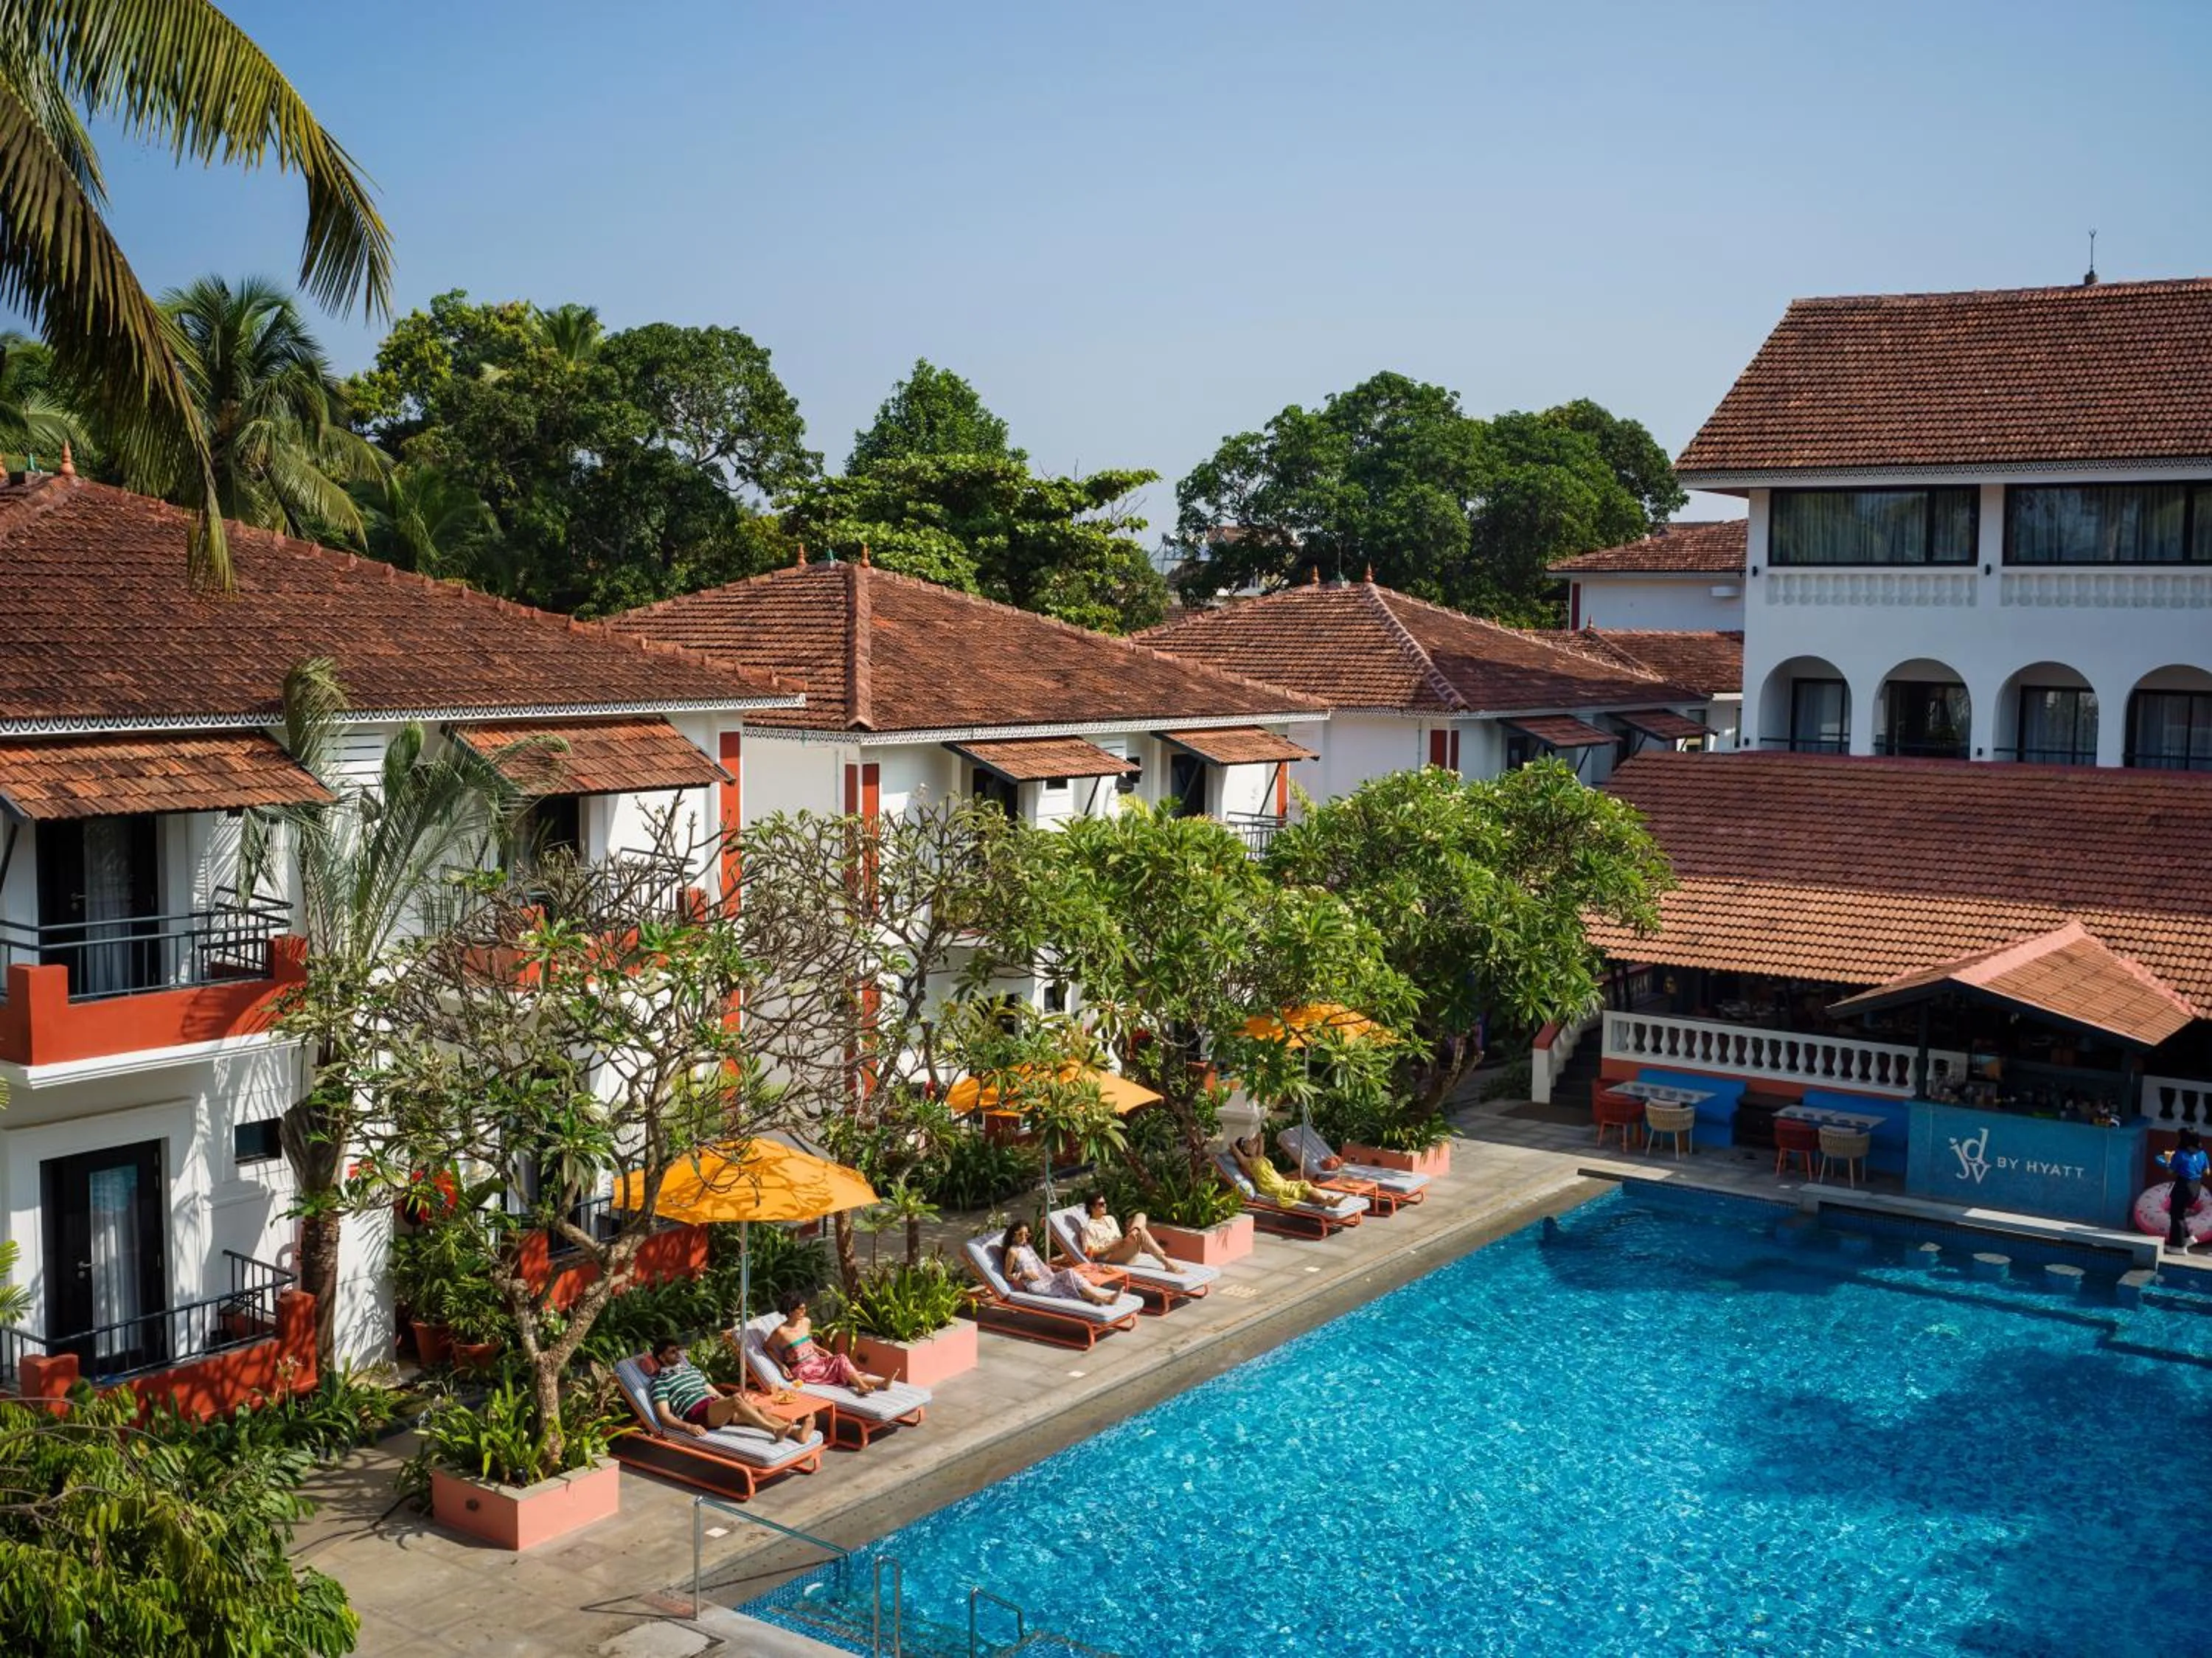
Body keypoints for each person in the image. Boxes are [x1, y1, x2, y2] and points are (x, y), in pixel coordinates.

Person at [646, 1336, 808, 1442]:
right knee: (736, 1399)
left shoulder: (691, 1370)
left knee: (758, 1410)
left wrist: (734, 1404)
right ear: (661, 1358)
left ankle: (796, 1433)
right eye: (673, 1352)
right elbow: (664, 1416)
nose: (679, 1354)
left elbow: (714, 1393)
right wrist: (688, 1427)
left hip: (713, 1408)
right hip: (697, 1414)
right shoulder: (660, 1382)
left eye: (678, 1350)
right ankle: (775, 1430)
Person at [768, 1291, 887, 1393]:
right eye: (801, 1309)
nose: (805, 1311)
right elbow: (767, 1348)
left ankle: (878, 1383)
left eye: (805, 1308)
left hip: (817, 1361)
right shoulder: (781, 1332)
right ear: (790, 1311)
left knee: (841, 1359)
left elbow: (808, 1343)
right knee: (841, 1368)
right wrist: (782, 1366)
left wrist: (823, 1350)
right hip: (803, 1370)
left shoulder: (806, 1322)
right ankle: (872, 1384)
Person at [1000, 1219, 1120, 1305]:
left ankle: (1098, 1298)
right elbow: (1007, 1275)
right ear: (1013, 1235)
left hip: (1047, 1278)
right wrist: (1023, 1274)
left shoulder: (1027, 1247)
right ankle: (1103, 1299)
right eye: (1020, 1234)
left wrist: (1051, 1268)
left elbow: (1039, 1265)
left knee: (1070, 1273)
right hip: (1036, 1285)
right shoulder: (1012, 1251)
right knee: (1066, 1287)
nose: (1024, 1237)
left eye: (1027, 1234)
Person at [1074, 1194, 1186, 1274]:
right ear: (1092, 1208)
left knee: (1141, 1215)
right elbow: (1090, 1254)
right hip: (1112, 1256)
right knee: (1142, 1233)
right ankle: (1167, 1263)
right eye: (1101, 1204)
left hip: (1124, 1248)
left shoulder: (1110, 1219)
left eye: (1105, 1203)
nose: (1105, 1206)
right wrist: (1111, 1248)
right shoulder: (1089, 1228)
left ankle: (1135, 1231)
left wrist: (1130, 1235)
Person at [2157, 1128, 2209, 1252]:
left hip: (2183, 1186)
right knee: (2179, 1214)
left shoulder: (2180, 1154)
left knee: (2176, 1215)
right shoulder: (2202, 1154)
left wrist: (2169, 1162)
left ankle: (2177, 1247)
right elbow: (2207, 1171)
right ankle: (2188, 1237)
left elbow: (2170, 1172)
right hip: (2196, 1187)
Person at [1232, 1133, 1319, 1206]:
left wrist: (1252, 1142)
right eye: (1249, 1143)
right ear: (1245, 1151)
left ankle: (1323, 1201)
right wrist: (1244, 1145)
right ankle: (1323, 1201)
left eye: (1252, 1141)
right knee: (1296, 1188)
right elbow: (1232, 1145)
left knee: (1304, 1184)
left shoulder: (1260, 1156)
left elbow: (1260, 1135)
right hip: (1269, 1185)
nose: (1252, 1142)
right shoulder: (1247, 1162)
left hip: (1278, 1181)